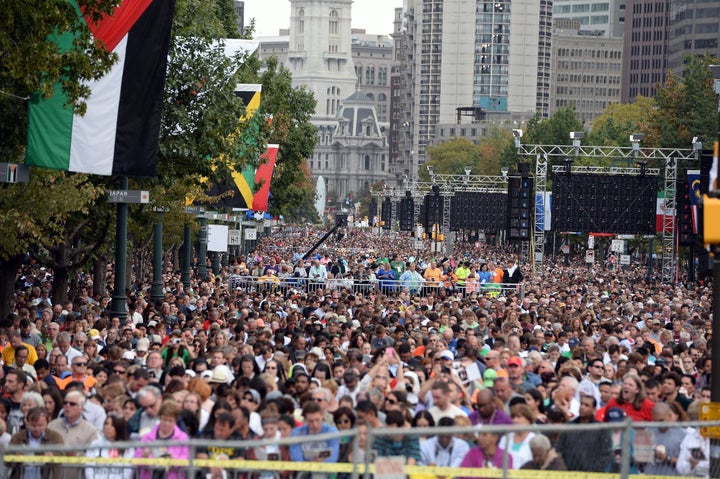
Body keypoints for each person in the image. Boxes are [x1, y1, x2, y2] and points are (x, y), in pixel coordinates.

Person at [135, 401, 189, 479]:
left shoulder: (183, 438)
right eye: (164, 419)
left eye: (170, 421)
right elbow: (137, 459)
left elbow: (186, 459)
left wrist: (172, 460)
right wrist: (144, 456)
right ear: (159, 418)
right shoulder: (147, 437)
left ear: (175, 420)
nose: (167, 423)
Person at [8, 407, 65, 479]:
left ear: (47, 422)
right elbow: (7, 457)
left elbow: (62, 455)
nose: (37, 429)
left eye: (40, 425)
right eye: (33, 425)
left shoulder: (55, 437)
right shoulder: (17, 437)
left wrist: (52, 457)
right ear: (27, 422)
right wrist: (16, 457)